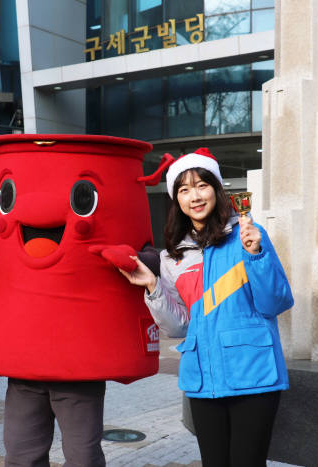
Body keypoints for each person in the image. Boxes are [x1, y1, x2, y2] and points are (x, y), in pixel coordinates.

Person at [118, 147, 294, 467]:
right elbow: (179, 327)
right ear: (177, 200)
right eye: (184, 190)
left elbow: (276, 302)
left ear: (216, 188)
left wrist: (256, 256)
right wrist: (153, 286)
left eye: (202, 185)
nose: (195, 196)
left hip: (252, 374)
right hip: (203, 380)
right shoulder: (173, 257)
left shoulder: (247, 235)